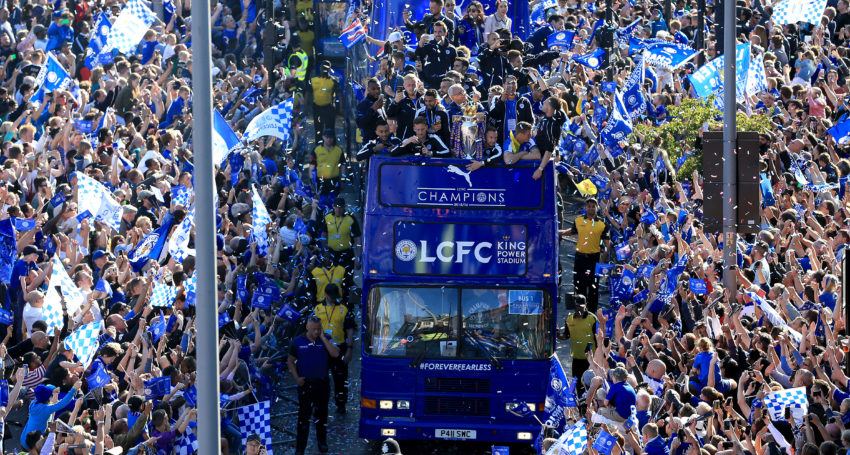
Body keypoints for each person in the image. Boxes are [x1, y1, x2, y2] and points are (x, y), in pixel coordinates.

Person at [287, 316, 340, 455]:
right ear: (307, 327)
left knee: (322, 415)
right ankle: (300, 448)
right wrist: (296, 378)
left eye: (318, 328)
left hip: (322, 383)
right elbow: (290, 361)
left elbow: (335, 354)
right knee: (303, 417)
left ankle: (322, 442)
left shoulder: (326, 338)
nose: (316, 331)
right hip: (306, 384)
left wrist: (323, 338)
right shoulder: (298, 341)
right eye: (314, 329)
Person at [559, 198, 610, 312]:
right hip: (580, 258)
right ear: (585, 208)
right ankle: (579, 309)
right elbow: (571, 232)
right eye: (589, 206)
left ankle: (591, 312)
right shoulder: (578, 220)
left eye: (593, 206)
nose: (591, 208)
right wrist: (558, 232)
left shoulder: (602, 224)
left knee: (593, 287)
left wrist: (602, 261)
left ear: (597, 208)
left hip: (594, 258)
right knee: (579, 285)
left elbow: (607, 244)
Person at [312, 283, 355, 414]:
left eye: (335, 296)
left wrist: (349, 349)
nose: (333, 299)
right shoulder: (317, 309)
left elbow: (350, 330)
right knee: (319, 378)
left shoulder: (344, 309)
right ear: (325, 294)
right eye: (331, 296)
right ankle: (318, 404)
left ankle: (341, 403)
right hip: (321, 347)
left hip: (339, 348)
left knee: (340, 378)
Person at [562, 295, 597, 388]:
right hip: (576, 358)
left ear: (586, 305)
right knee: (576, 383)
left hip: (590, 359)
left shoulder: (592, 318)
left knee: (589, 384)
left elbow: (598, 337)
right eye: (577, 306)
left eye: (581, 306)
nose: (579, 309)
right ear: (574, 305)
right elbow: (566, 336)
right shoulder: (569, 319)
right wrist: (558, 335)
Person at [309, 61, 339, 143]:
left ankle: (331, 144)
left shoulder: (333, 81)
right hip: (317, 108)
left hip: (329, 108)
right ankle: (319, 145)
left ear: (329, 69)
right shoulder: (314, 80)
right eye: (323, 68)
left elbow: (339, 94)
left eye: (326, 68)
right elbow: (307, 94)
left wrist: (340, 108)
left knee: (330, 128)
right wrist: (305, 107)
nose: (324, 70)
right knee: (318, 128)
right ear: (320, 68)